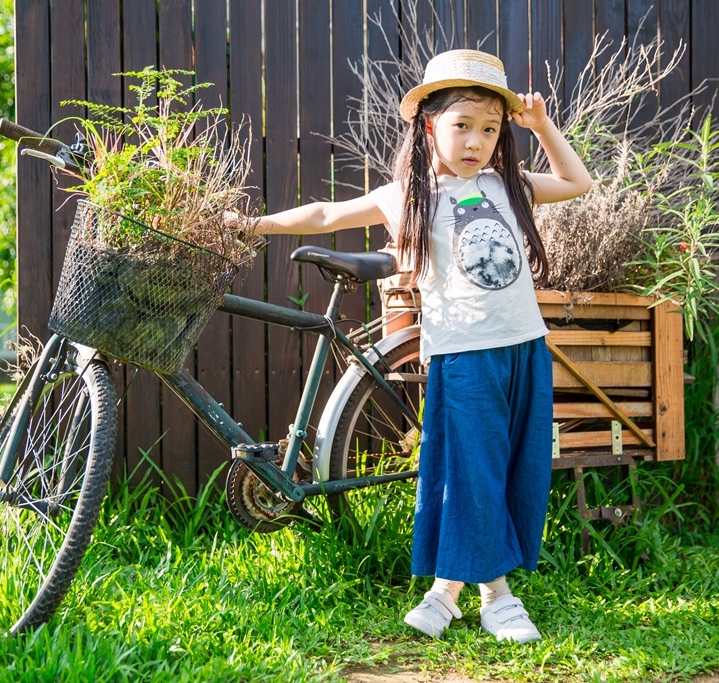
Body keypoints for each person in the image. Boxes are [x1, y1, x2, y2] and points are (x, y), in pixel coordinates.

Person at [239, 49, 591, 642]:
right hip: (463, 353)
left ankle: (448, 591)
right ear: (429, 124)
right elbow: (326, 212)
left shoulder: (508, 185)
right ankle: (496, 597)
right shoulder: (408, 193)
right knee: (469, 470)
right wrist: (254, 224)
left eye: (489, 128)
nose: (476, 141)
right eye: (462, 126)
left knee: (513, 468)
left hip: (524, 347)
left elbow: (579, 183)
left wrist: (542, 126)